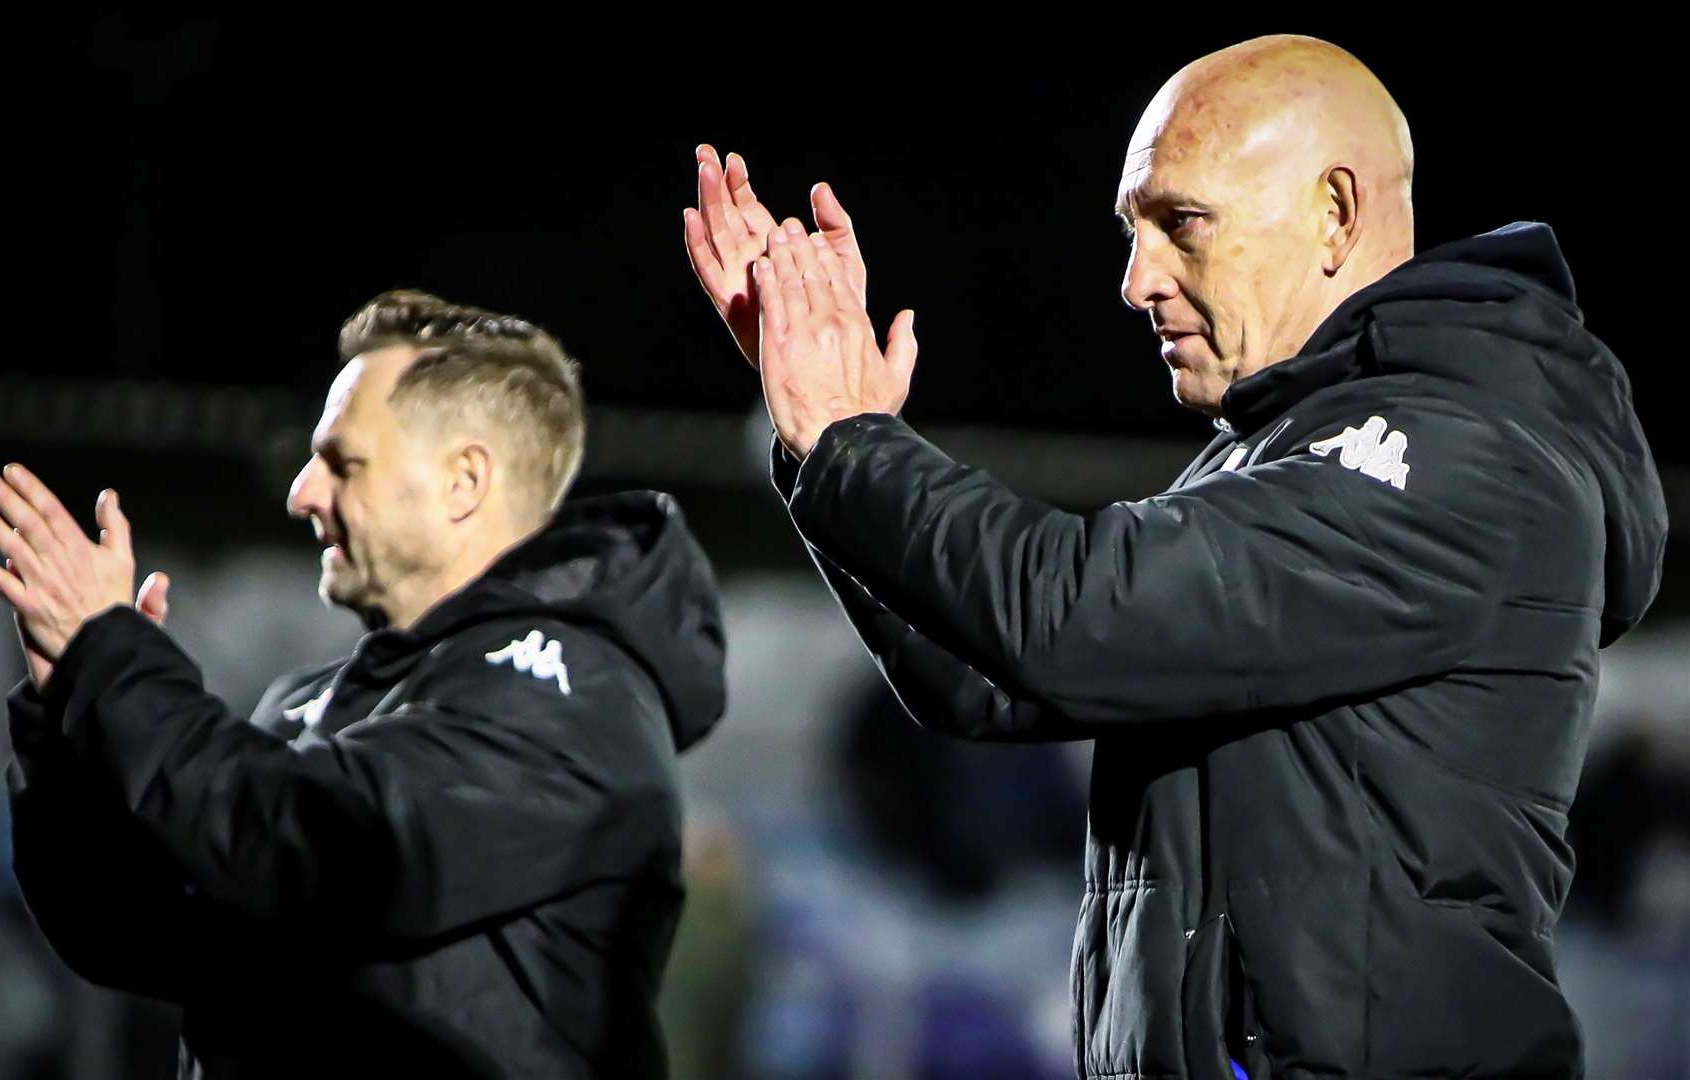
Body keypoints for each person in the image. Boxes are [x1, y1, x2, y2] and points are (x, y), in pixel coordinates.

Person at [684, 34, 1668, 1079]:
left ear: (1333, 212)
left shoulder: (1451, 454)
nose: (1134, 280)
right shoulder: (1279, 454)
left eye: (1179, 223)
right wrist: (820, 444)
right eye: (1130, 230)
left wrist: (852, 442)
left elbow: (1066, 618)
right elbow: (990, 676)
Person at [0, 290, 727, 1078]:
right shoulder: (312, 701)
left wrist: (114, 662)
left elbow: (317, 846)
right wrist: (71, 721)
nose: (302, 493)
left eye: (342, 461)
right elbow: (134, 929)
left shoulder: (570, 694)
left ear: (465, 480)